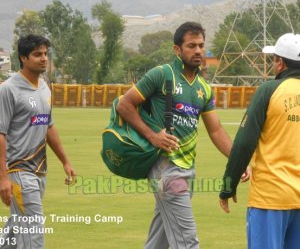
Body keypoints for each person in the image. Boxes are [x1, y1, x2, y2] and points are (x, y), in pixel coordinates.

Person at [117, 21, 242, 249]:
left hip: (187, 169)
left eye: (201, 45)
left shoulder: (204, 87)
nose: (197, 51)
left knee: (159, 240)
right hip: (166, 168)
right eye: (191, 45)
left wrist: (239, 161)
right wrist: (153, 135)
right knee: (187, 242)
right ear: (177, 49)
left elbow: (216, 130)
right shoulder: (162, 74)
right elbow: (124, 105)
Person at [219, 33, 300, 249]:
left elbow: (244, 143)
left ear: (280, 63)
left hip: (270, 198)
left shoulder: (268, 90)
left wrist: (228, 186)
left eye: (274, 59)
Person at [0, 34, 77, 248]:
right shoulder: (8, 90)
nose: (43, 58)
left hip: (40, 171)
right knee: (33, 232)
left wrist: (66, 161)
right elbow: (0, 134)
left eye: (45, 54)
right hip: (18, 172)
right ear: (23, 58)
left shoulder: (44, 86)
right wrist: (3, 178)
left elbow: (48, 126)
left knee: (16, 230)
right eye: (37, 55)